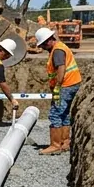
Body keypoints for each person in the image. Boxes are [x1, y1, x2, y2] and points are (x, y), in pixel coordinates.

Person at [35, 26, 82, 155]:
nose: (43, 48)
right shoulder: (60, 47)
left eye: (43, 45)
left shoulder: (57, 51)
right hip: (72, 83)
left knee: (55, 113)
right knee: (64, 113)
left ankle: (55, 145)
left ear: (48, 41)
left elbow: (61, 68)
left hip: (65, 85)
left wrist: (58, 85)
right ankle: (64, 142)